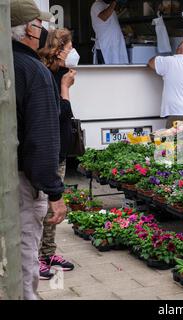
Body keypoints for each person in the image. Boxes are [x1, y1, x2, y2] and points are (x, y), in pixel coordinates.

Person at [10, 0, 67, 300]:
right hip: (22, 181)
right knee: (23, 254)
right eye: (39, 24)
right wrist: (54, 193)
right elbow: (42, 139)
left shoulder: (8, 63)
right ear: (27, 31)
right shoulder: (34, 71)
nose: (44, 30)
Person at [38, 28, 78, 279]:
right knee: (43, 207)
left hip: (60, 148)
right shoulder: (47, 76)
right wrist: (65, 88)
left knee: (54, 209)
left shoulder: (62, 73)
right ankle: (35, 258)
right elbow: (56, 115)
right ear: (57, 49)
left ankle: (48, 252)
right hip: (49, 149)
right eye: (69, 47)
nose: (73, 52)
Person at [90, 0, 129, 65]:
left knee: (117, 71)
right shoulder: (96, 5)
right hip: (105, 47)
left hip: (114, 46)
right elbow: (104, 17)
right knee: (107, 72)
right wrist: (114, 2)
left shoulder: (107, 6)